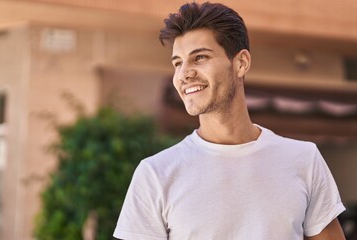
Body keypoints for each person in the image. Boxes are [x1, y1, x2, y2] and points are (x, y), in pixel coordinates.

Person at [113, 2, 346, 239]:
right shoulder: (156, 174)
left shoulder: (304, 160)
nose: (184, 74)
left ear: (241, 63)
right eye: (177, 63)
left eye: (200, 57)